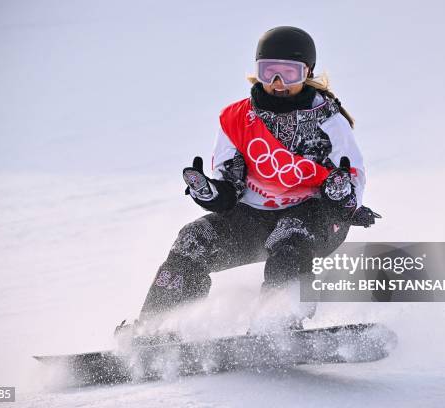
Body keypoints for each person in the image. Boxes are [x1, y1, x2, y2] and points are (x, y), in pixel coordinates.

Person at [118, 26, 380, 337]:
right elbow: (231, 187)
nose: (277, 83)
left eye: (289, 73)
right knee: (194, 238)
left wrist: (342, 197)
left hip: (315, 217)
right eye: (268, 72)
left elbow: (353, 177)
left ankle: (277, 321)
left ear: (307, 72)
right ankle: (155, 328)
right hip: (255, 219)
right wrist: (210, 193)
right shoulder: (237, 119)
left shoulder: (329, 121)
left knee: (290, 235)